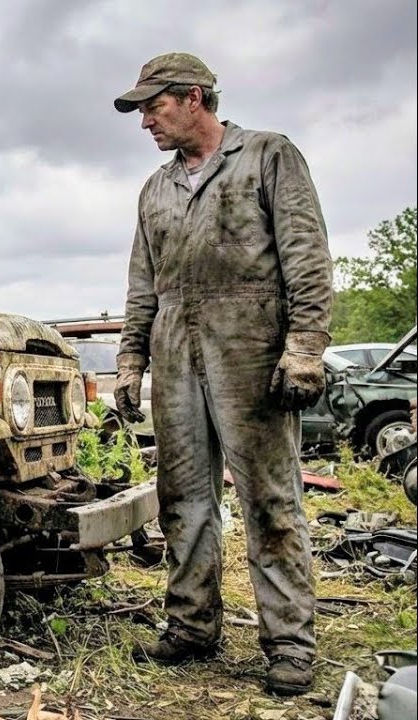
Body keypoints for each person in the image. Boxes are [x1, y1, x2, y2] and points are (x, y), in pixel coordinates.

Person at [111, 52, 333, 697]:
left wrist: (305, 348)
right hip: (176, 349)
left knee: (270, 499)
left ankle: (289, 643)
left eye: (154, 106)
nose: (146, 120)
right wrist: (130, 359)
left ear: (194, 98)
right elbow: (142, 285)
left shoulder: (268, 156)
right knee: (182, 498)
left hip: (252, 350)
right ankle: (191, 626)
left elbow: (307, 258)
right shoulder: (155, 188)